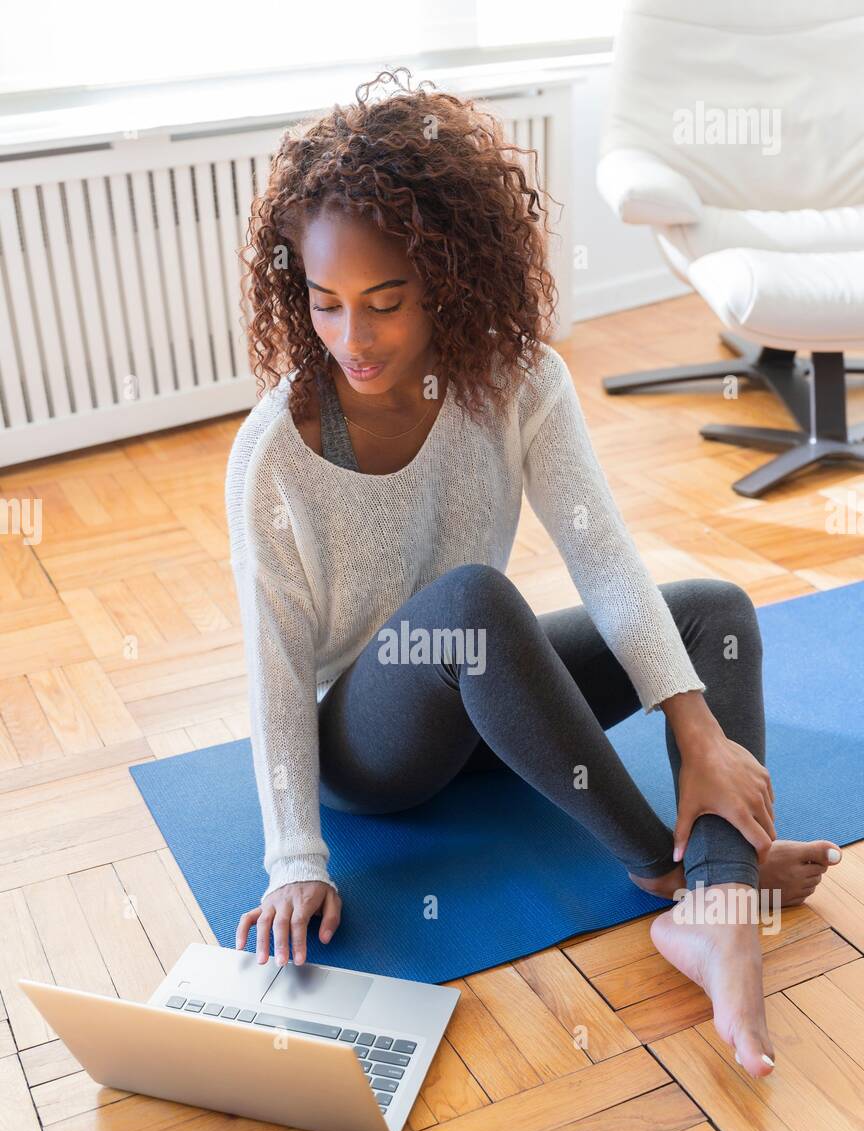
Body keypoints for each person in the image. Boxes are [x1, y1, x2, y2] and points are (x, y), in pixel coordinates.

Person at [225, 69, 841, 1079]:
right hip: (372, 743)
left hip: (493, 702)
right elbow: (276, 661)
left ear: (448, 279)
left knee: (716, 616)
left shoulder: (520, 379)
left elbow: (601, 557)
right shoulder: (276, 452)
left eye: (385, 301)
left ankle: (718, 896)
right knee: (475, 602)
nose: (354, 338)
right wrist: (295, 857)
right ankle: (669, 868)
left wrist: (695, 730)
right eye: (326, 304)